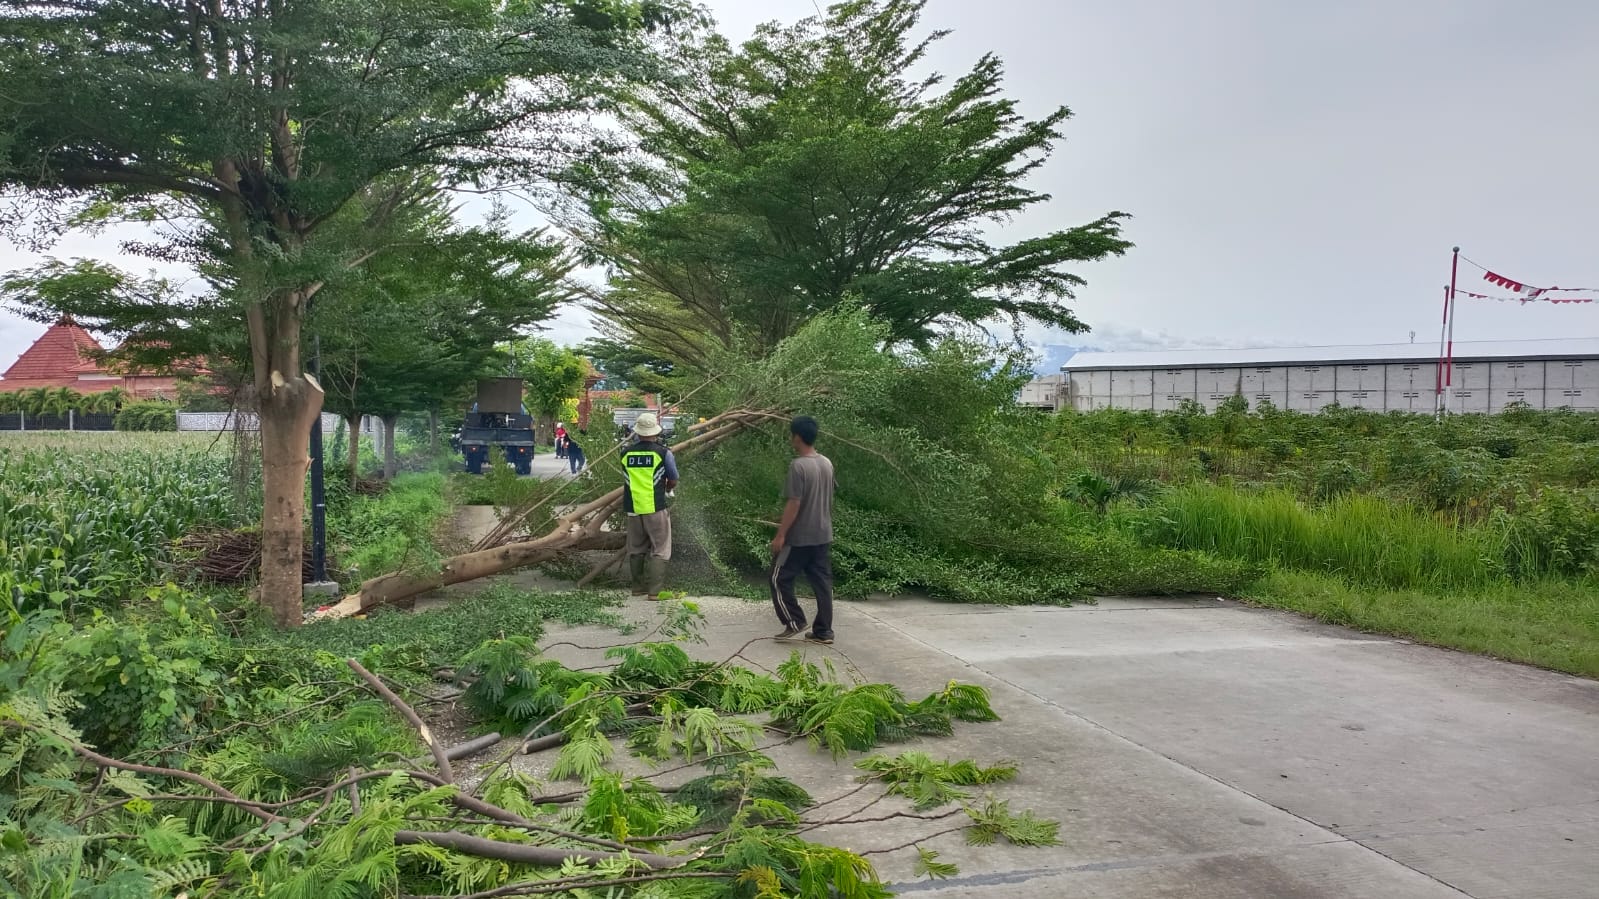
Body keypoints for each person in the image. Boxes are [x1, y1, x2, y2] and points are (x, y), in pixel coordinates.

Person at [769, 415, 835, 644]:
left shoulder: (798, 466)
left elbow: (794, 503)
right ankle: (824, 631)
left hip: (799, 538)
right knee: (822, 583)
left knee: (778, 578)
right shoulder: (826, 462)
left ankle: (794, 621)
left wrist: (781, 535)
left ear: (797, 437)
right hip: (823, 533)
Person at [621, 412, 677, 599]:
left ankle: (637, 588)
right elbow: (673, 479)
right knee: (660, 549)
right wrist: (668, 489)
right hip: (655, 506)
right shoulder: (663, 452)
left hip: (633, 508)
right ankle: (655, 592)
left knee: (636, 548)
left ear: (637, 432)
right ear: (656, 432)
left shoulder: (625, 452)